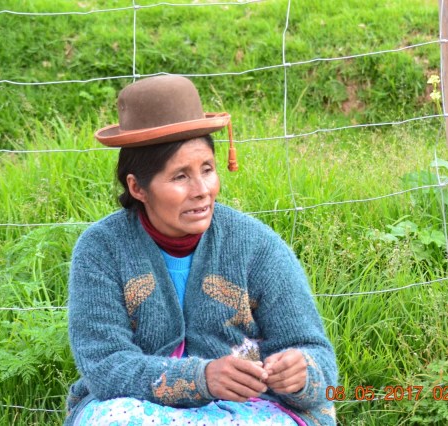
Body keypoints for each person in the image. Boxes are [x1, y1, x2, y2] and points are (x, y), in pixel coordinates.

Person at [65, 75, 338, 426]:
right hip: (139, 409)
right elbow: (105, 365)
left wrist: (300, 374)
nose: (202, 190)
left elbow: (316, 354)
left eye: (207, 170)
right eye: (180, 176)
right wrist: (201, 378)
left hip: (251, 409)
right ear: (137, 187)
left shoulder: (257, 246)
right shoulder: (101, 250)